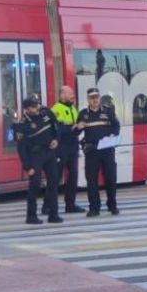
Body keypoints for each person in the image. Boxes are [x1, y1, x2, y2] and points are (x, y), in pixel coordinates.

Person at [15, 96, 63, 225]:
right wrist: (27, 166)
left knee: (53, 181)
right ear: (26, 109)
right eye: (33, 106)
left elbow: (56, 127)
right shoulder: (22, 124)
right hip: (35, 156)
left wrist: (56, 140)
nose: (37, 108)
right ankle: (31, 216)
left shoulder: (46, 112)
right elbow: (21, 148)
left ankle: (53, 214)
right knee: (34, 185)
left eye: (37, 105)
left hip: (49, 152)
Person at [76, 87, 120, 217]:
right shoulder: (83, 114)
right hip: (91, 151)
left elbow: (116, 126)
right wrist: (78, 127)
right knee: (91, 181)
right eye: (92, 97)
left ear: (99, 98)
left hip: (107, 150)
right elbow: (76, 132)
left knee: (111, 179)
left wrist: (113, 134)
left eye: (96, 97)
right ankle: (94, 208)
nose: (95, 99)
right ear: (88, 99)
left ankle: (112, 206)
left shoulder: (108, 111)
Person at [51, 86, 85, 214]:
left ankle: (70, 205)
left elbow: (75, 130)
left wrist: (79, 127)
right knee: (56, 177)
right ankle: (48, 205)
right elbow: (58, 130)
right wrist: (73, 128)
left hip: (72, 147)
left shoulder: (73, 109)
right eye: (70, 94)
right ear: (62, 95)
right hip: (61, 148)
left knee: (73, 176)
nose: (73, 96)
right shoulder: (56, 110)